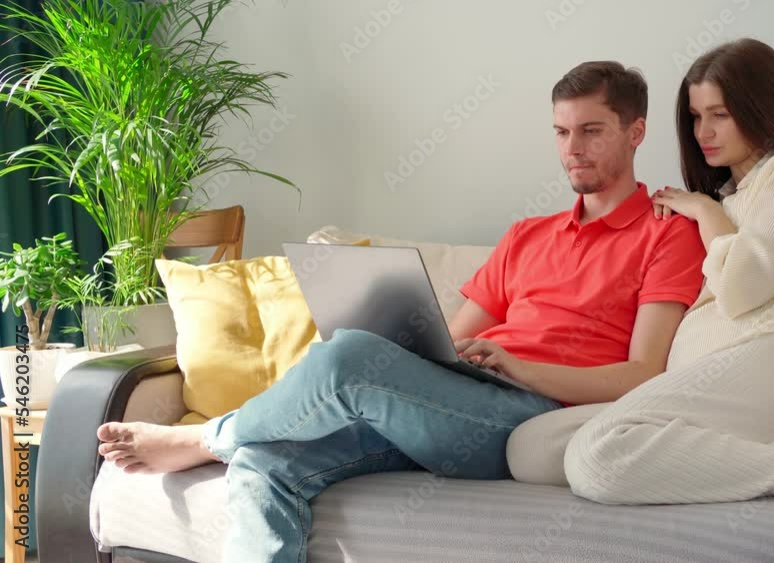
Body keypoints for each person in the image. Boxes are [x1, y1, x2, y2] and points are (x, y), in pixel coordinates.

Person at [95, 61, 712, 562]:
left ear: (636, 132)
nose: (571, 149)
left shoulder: (666, 235)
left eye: (591, 131)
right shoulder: (529, 234)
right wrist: (405, 339)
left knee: (351, 358)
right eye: (561, 132)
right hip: (452, 399)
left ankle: (203, 438)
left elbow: (642, 375)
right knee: (266, 460)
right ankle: (239, 442)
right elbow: (448, 338)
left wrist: (520, 368)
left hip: (533, 417)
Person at [506, 38, 774, 518]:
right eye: (695, 117)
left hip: (766, 360)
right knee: (529, 447)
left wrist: (702, 209)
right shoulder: (727, 198)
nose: (703, 132)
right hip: (707, 386)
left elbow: (741, 288)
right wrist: (711, 206)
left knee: (596, 458)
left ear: (759, 108)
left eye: (719, 114)